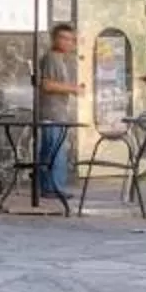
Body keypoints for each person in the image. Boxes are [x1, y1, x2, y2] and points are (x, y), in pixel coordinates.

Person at [35, 22, 83, 208]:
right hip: (52, 111)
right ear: (54, 39)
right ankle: (55, 187)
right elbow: (47, 85)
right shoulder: (52, 58)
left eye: (71, 39)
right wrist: (73, 88)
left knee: (50, 149)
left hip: (56, 110)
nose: (68, 42)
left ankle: (49, 187)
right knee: (56, 150)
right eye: (63, 38)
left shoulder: (59, 59)